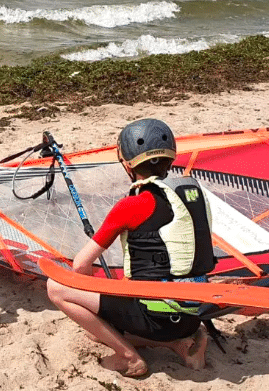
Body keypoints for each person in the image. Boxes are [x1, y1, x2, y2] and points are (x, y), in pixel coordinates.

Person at [46, 118, 215, 377]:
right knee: (99, 331)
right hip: (193, 314)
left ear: (127, 164)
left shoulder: (131, 206)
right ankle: (181, 344)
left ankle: (129, 358)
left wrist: (91, 298)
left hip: (156, 318)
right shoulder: (190, 193)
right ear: (171, 157)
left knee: (56, 288)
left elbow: (80, 265)